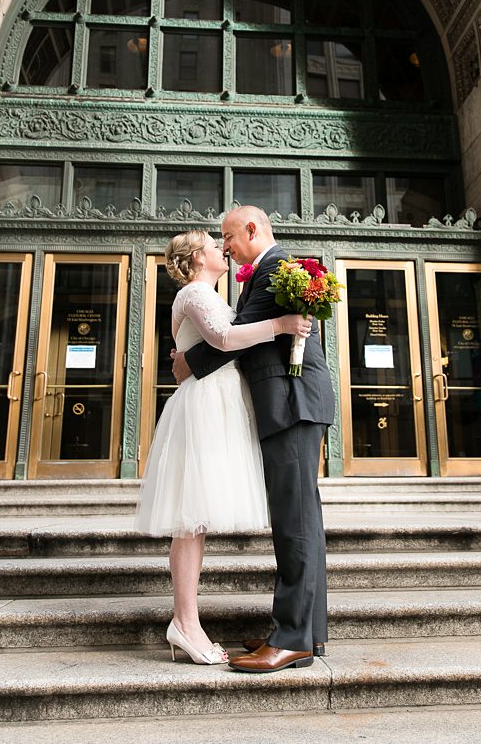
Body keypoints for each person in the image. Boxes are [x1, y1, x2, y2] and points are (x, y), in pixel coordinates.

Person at [134, 228, 312, 665]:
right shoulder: (194, 293)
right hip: (203, 408)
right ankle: (185, 623)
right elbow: (224, 340)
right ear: (197, 258)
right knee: (189, 519)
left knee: (195, 519)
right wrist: (282, 325)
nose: (221, 248)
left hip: (218, 404)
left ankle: (185, 621)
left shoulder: (210, 295)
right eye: (214, 245)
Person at [171, 206, 336, 673]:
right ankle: (304, 634)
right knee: (298, 520)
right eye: (219, 240)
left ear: (251, 229)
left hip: (292, 404)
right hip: (284, 405)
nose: (225, 246)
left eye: (228, 236)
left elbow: (233, 335)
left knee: (294, 523)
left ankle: (292, 638)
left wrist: (187, 363)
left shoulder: (275, 271)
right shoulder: (264, 273)